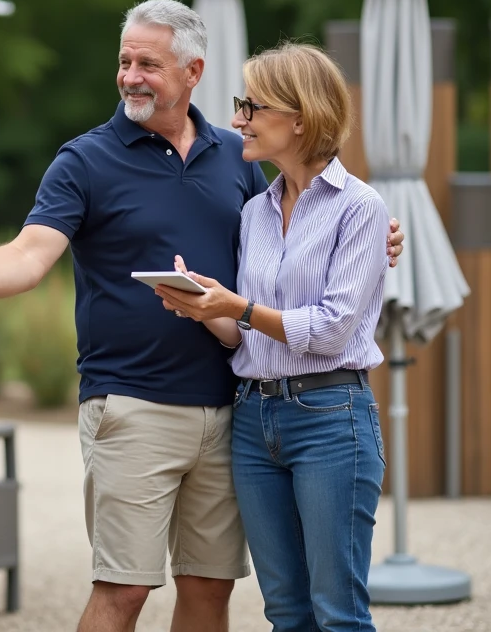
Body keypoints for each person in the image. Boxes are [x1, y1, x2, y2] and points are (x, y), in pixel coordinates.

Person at [0, 0, 402, 632]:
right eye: (124, 61)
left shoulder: (240, 159)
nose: (130, 76)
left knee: (208, 588)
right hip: (132, 407)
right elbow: (31, 256)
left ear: (193, 71)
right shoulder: (84, 160)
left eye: (148, 63)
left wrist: (376, 234)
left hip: (235, 414)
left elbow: (304, 221)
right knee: (125, 590)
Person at [155, 42, 390, 632]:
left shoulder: (360, 208)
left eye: (250, 106)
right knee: (285, 610)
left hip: (331, 417)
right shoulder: (255, 211)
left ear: (301, 118)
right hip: (255, 422)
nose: (237, 120)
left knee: (338, 613)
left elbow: (332, 328)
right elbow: (244, 336)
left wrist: (239, 305)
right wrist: (204, 305)